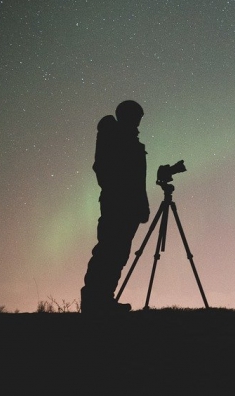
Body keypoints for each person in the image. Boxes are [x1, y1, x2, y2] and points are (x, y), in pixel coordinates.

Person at [81, 100, 150, 313]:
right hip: (117, 205)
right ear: (127, 115)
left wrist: (141, 204)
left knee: (118, 253)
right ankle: (95, 301)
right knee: (109, 251)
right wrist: (120, 193)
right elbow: (103, 168)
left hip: (128, 206)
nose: (138, 122)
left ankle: (104, 299)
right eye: (136, 117)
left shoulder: (129, 139)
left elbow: (138, 179)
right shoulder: (114, 135)